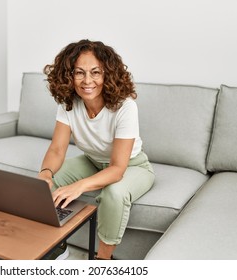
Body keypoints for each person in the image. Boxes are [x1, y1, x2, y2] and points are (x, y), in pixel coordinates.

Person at [38, 39, 155, 260]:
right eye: (79, 73)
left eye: (95, 72)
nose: (87, 81)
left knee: (114, 193)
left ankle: (102, 260)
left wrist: (79, 187)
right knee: (46, 184)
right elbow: (57, 149)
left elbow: (118, 169)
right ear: (68, 75)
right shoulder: (68, 103)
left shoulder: (125, 106)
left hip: (133, 166)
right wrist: (46, 173)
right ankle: (53, 246)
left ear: (107, 75)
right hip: (92, 161)